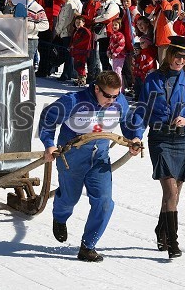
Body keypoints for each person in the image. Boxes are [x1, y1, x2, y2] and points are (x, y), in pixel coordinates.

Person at [39, 71, 142, 262]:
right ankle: (60, 217)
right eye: (107, 95)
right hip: (71, 158)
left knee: (104, 202)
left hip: (100, 158)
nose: (112, 100)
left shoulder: (119, 102)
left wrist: (135, 136)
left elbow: (129, 122)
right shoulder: (73, 101)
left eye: (115, 96)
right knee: (70, 198)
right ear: (96, 88)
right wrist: (49, 144)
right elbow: (48, 119)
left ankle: (88, 246)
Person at [133, 36, 185, 259]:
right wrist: (136, 136)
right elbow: (142, 110)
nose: (181, 60)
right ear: (170, 54)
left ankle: (161, 229)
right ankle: (173, 242)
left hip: (183, 139)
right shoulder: (153, 78)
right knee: (170, 190)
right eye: (178, 55)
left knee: (176, 192)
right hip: (160, 138)